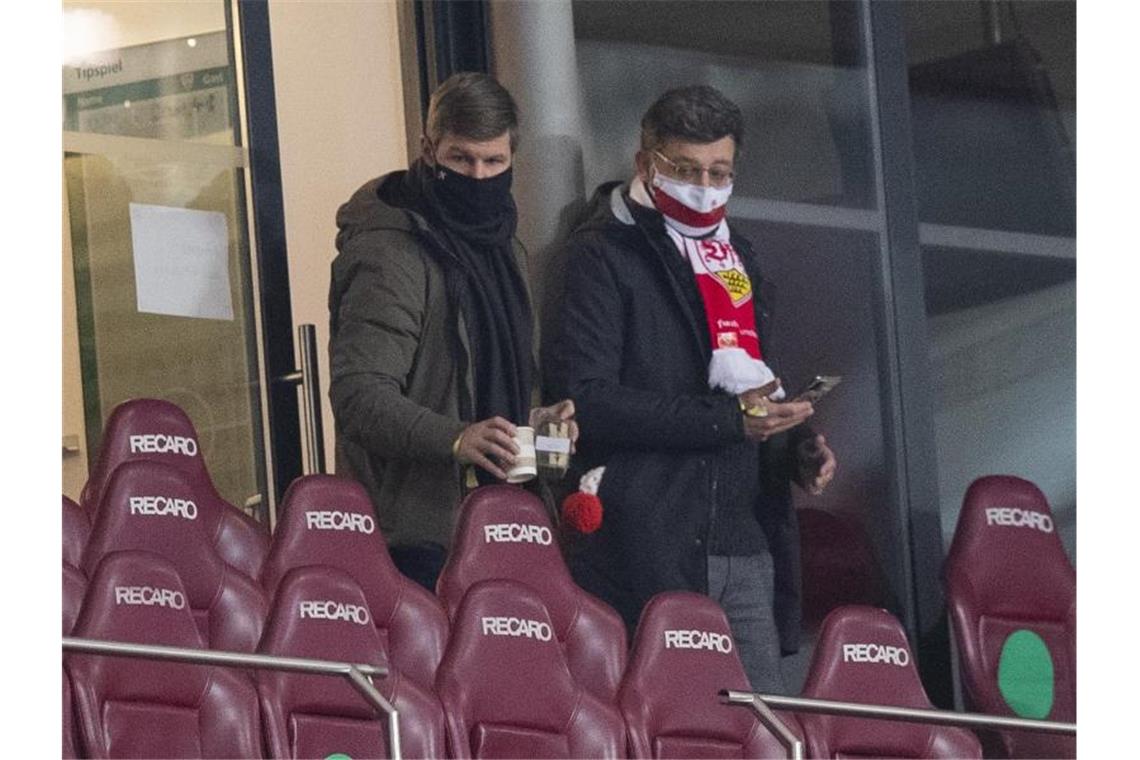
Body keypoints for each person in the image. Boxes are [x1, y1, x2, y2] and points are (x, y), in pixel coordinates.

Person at [546, 85, 837, 692]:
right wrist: (728, 422)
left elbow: (756, 378)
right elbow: (588, 399)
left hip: (746, 538)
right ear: (643, 162)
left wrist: (795, 442)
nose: (704, 185)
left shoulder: (737, 254)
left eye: (719, 171)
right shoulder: (600, 255)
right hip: (648, 539)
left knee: (764, 732)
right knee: (673, 728)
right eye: (685, 169)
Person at [329, 72, 576, 591]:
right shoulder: (389, 252)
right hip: (415, 537)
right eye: (461, 159)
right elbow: (359, 395)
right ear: (428, 149)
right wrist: (458, 437)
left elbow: (481, 386)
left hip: (505, 524)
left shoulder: (506, 249)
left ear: (512, 159)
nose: (479, 177)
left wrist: (537, 423)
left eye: (494, 162)